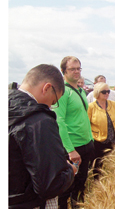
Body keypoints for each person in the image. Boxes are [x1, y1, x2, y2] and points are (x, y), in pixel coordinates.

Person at [9, 64, 76, 209]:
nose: (51, 107)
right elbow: (50, 185)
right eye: (53, 101)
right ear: (47, 88)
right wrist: (70, 171)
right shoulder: (39, 121)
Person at [54, 56, 94, 208]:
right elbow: (59, 121)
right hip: (73, 147)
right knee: (66, 188)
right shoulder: (63, 92)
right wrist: (70, 150)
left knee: (80, 184)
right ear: (63, 71)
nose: (76, 72)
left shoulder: (80, 91)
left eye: (78, 68)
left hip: (86, 144)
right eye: (72, 69)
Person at [88, 82, 115, 180]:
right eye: (104, 92)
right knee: (98, 167)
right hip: (98, 141)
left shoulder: (112, 104)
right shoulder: (91, 107)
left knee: (113, 165)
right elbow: (87, 124)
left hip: (113, 140)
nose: (107, 94)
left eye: (108, 91)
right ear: (97, 93)